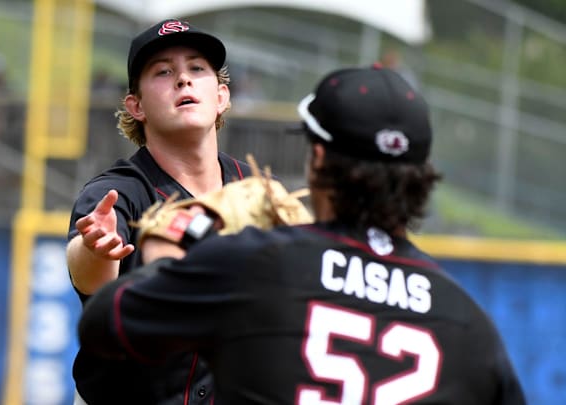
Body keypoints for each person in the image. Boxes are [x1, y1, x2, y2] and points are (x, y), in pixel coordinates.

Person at [77, 66, 527, 404]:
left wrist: (167, 247)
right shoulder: (469, 324)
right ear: (423, 176)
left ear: (317, 158)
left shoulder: (255, 263)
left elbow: (105, 324)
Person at [66, 19, 252, 404]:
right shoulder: (117, 193)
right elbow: (92, 280)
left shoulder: (255, 192)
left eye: (197, 68)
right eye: (164, 71)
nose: (183, 79)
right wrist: (96, 249)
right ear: (135, 106)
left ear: (221, 96)